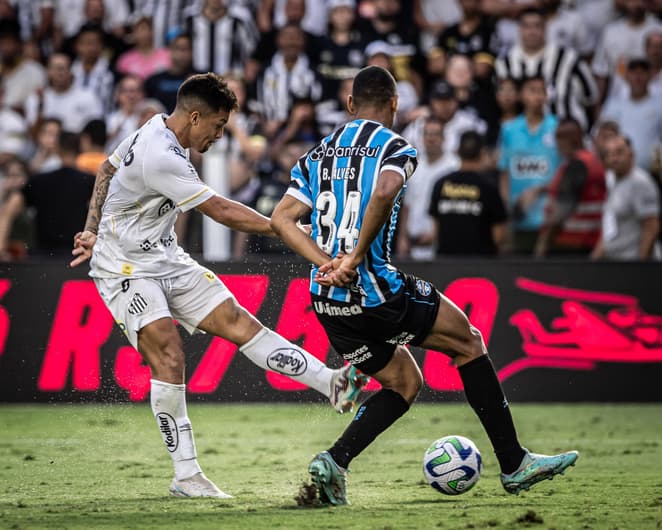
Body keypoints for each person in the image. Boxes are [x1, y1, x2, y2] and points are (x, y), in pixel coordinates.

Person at [271, 65, 578, 506]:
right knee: (469, 343)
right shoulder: (395, 146)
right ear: (395, 104)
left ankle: (335, 462)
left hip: (326, 300)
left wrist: (328, 264)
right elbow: (383, 192)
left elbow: (282, 219)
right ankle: (514, 464)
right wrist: (353, 260)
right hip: (375, 289)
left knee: (404, 383)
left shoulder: (318, 153)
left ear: (350, 104)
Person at [69, 73, 368, 498]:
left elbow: (108, 168)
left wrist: (91, 227)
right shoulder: (161, 154)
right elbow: (221, 210)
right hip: (124, 269)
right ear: (195, 116)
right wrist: (283, 227)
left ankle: (332, 384)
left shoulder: (154, 126)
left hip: (165, 256)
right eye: (218, 125)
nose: (219, 135)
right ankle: (186, 476)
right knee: (170, 356)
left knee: (239, 323)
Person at [534, 118, 606, 257]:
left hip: (571, 245)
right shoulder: (591, 160)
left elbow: (562, 210)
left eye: (558, 138)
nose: (557, 144)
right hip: (586, 240)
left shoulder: (577, 166)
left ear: (568, 139)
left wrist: (543, 243)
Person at [428, 130, 507, 256]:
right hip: (481, 265)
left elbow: (436, 231)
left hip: (445, 264)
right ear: (482, 154)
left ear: (458, 152)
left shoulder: (441, 184)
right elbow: (498, 236)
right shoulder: (489, 188)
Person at [591, 135, 661, 260]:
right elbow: (611, 226)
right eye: (609, 154)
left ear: (631, 154)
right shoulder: (613, 181)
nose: (614, 158)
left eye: (619, 152)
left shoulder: (641, 183)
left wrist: (640, 266)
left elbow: (651, 226)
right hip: (615, 262)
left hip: (632, 264)